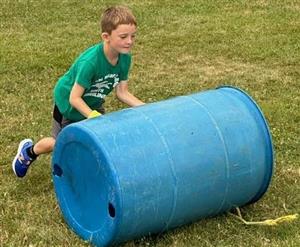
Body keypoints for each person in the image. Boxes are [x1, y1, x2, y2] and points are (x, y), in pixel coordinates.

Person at [12, 5, 145, 178]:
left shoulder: (125, 59)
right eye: (123, 36)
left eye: (132, 36)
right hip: (68, 106)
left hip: (92, 104)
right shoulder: (90, 63)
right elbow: (74, 98)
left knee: (96, 142)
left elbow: (122, 93)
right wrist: (92, 116)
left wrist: (146, 108)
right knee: (61, 144)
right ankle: (29, 152)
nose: (130, 41)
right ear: (106, 37)